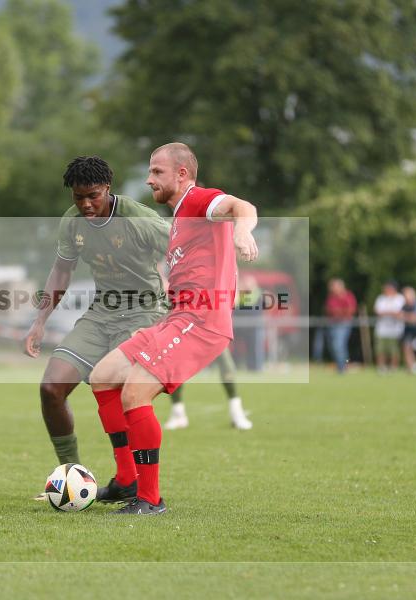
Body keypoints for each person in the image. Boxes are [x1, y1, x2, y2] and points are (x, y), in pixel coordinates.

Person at [88, 142, 258, 515]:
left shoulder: (199, 202)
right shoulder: (180, 221)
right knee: (103, 376)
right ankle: (126, 481)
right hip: (178, 319)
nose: (149, 179)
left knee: (134, 394)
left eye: (156, 172)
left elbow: (241, 207)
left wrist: (243, 231)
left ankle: (149, 499)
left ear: (182, 174)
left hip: (201, 323)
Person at [22, 156, 170, 493]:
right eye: (78, 197)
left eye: (93, 195)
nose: (86, 204)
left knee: (120, 390)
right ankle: (70, 476)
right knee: (51, 389)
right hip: (101, 313)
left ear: (108, 189)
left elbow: (183, 252)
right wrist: (40, 321)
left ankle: (130, 481)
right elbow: (62, 271)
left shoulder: (140, 220)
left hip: (145, 313)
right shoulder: (72, 223)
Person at [163, 348, 252, 430]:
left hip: (211, 331)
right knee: (176, 364)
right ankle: (178, 414)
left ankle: (236, 412)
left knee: (224, 361)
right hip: (185, 332)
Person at [325, 278, 357, 373]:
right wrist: (341, 311)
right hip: (333, 324)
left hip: (344, 323)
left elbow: (351, 310)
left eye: (333, 286)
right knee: (334, 346)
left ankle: (343, 367)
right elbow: (329, 310)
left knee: (338, 345)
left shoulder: (348, 296)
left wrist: (338, 311)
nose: (332, 288)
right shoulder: (331, 297)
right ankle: (342, 365)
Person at [373, 280, 405, 373]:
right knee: (380, 349)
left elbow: (399, 313)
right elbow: (378, 312)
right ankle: (381, 367)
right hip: (381, 329)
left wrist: (387, 312)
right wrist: (391, 312)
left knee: (394, 350)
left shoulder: (400, 298)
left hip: (395, 330)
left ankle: (393, 368)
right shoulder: (381, 298)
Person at [401, 286, 416, 374]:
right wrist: (410, 317)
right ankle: (411, 367)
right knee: (407, 347)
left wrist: (409, 317)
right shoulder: (404, 306)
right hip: (408, 330)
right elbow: (401, 316)